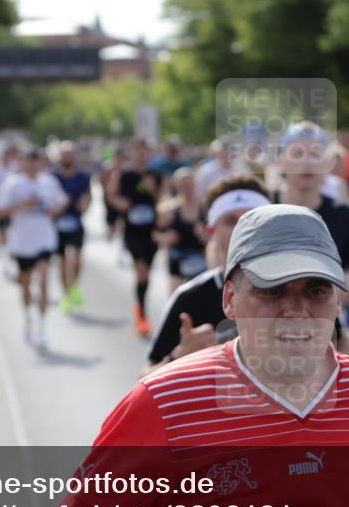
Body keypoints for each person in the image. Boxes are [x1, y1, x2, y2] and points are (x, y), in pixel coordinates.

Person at [43, 204, 349, 507]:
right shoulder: (163, 402)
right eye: (272, 289)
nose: (296, 310)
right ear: (231, 299)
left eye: (316, 290)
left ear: (339, 300)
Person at [143, 175, 271, 374]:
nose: (243, 228)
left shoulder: (301, 290)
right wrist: (179, 356)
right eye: (231, 221)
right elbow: (145, 376)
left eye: (253, 219)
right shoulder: (190, 297)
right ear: (211, 232)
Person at [276, 121, 349, 347]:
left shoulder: (341, 213)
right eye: (297, 153)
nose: (307, 162)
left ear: (326, 163)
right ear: (282, 161)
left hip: (322, 336)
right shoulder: (261, 206)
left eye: (315, 154)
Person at [0, 148, 68, 350]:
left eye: (36, 160)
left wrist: (55, 210)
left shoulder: (49, 182)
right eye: (29, 160)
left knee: (43, 279)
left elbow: (62, 202)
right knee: (25, 284)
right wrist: (22, 205)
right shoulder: (13, 184)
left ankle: (42, 328)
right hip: (22, 242)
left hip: (45, 240)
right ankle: (28, 318)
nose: (33, 165)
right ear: (22, 162)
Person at [108, 138, 163, 337]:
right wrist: (119, 203)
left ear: (149, 154)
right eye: (138, 151)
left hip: (152, 231)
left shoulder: (157, 175)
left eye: (145, 151)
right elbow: (111, 195)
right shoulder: (123, 175)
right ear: (132, 153)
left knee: (147, 273)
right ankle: (142, 315)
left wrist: (152, 190)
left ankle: (140, 307)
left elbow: (165, 201)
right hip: (132, 230)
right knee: (140, 271)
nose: (141, 154)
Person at [153, 168, 208, 294]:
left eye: (189, 183)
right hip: (178, 257)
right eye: (183, 184)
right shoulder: (169, 210)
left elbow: (216, 237)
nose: (186, 187)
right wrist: (166, 237)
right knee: (175, 294)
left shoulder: (205, 208)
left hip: (201, 256)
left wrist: (204, 234)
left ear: (195, 184)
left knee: (202, 296)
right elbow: (155, 234)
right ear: (176, 186)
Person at [53, 141, 92, 312]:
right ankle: (66, 294)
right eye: (64, 154)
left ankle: (73, 285)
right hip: (58, 225)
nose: (67, 158)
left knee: (77, 261)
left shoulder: (83, 177)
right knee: (62, 262)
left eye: (70, 154)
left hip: (76, 223)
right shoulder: (53, 177)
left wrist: (85, 203)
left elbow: (88, 197)